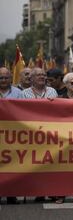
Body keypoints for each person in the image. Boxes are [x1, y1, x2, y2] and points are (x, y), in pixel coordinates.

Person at [21, 68, 57, 202]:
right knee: (35, 163)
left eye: (44, 74)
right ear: (32, 78)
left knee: (50, 163)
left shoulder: (52, 91)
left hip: (49, 134)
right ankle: (38, 191)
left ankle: (51, 190)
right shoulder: (23, 94)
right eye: (38, 75)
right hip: (32, 134)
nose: (42, 77)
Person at [54, 72, 73, 204]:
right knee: (62, 167)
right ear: (66, 84)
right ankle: (61, 194)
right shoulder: (59, 99)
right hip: (63, 138)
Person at [0, 67, 22, 204]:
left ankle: (11, 194)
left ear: (10, 78)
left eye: (6, 77)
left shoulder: (19, 94)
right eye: (0, 78)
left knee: (13, 164)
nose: (3, 80)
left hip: (13, 136)